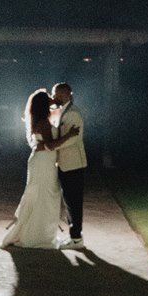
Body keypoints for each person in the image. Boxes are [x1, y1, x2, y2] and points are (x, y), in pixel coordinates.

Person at [0, 88, 81, 249]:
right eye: (49, 97)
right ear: (44, 103)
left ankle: (39, 233)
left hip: (45, 163)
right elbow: (48, 145)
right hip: (43, 163)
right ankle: (37, 236)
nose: (53, 98)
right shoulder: (43, 122)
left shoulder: (43, 118)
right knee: (43, 198)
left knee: (45, 197)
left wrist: (61, 105)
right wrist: (69, 135)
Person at [50, 79, 87, 246]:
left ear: (66, 95)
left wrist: (53, 146)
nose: (54, 96)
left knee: (74, 202)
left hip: (73, 163)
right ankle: (74, 235)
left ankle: (77, 237)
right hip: (66, 163)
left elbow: (72, 140)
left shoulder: (73, 113)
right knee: (69, 201)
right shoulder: (63, 111)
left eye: (57, 93)